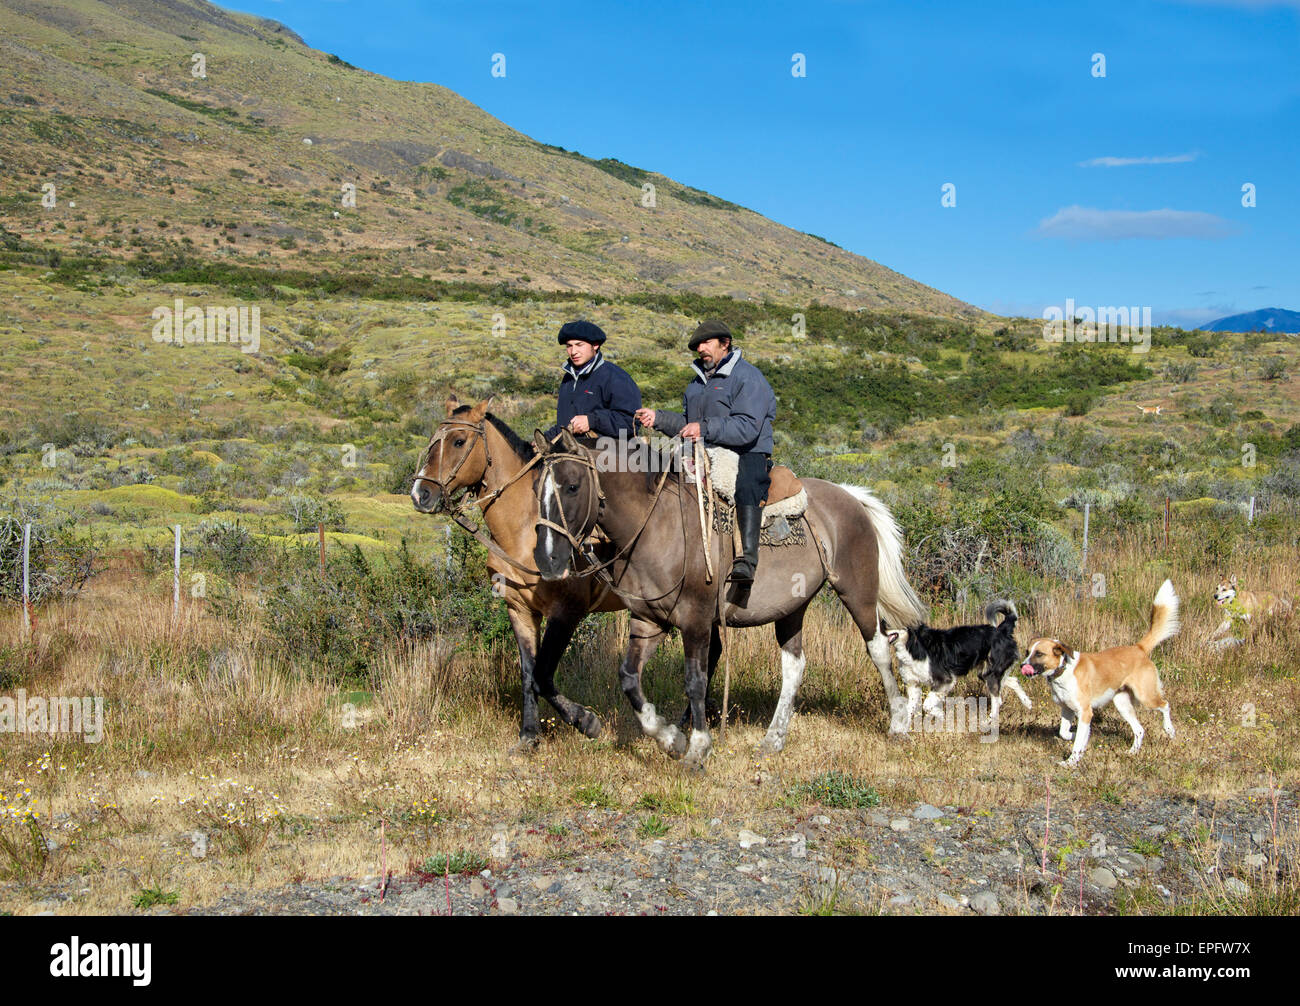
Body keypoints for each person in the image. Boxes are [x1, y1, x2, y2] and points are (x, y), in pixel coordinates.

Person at [634, 320, 776, 586]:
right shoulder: (697, 382)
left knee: (748, 485)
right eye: (697, 345)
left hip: (748, 449)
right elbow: (689, 423)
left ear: (725, 343)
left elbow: (747, 427)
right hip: (707, 448)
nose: (700, 348)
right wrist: (659, 418)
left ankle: (747, 559)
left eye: (706, 343)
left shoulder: (748, 376)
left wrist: (704, 428)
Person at [543, 320, 641, 443]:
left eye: (579, 345)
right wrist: (545, 439)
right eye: (569, 346)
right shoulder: (568, 379)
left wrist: (591, 421)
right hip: (573, 454)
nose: (573, 352)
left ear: (595, 345)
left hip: (608, 455)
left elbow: (631, 422)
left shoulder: (615, 377)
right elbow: (566, 425)